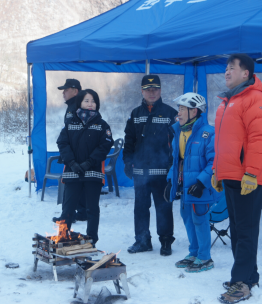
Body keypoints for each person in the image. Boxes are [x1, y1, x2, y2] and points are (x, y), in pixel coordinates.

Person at [211, 54, 262, 304]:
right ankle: (249, 275)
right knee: (237, 229)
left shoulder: (255, 99)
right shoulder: (226, 102)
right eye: (225, 68)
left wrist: (252, 173)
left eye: (231, 68)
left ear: (245, 73)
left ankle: (241, 283)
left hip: (248, 177)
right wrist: (217, 169)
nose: (226, 72)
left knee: (245, 231)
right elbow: (221, 142)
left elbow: (259, 140)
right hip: (230, 175)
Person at [123, 75, 178, 256]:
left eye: (155, 89)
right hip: (140, 171)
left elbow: (176, 144)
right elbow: (129, 140)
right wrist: (127, 162)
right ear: (142, 91)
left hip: (162, 172)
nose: (152, 92)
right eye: (148, 89)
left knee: (163, 207)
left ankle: (165, 241)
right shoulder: (135, 114)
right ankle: (142, 240)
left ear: (161, 90)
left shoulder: (171, 113)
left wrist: (173, 167)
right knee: (140, 207)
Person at [164, 92, 216, 273]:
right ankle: (193, 253)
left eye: (182, 109)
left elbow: (214, 162)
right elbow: (176, 160)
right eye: (179, 109)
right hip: (184, 188)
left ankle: (205, 257)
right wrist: (171, 181)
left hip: (200, 189)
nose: (178, 112)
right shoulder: (179, 131)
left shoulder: (208, 133)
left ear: (194, 111)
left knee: (200, 220)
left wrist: (202, 183)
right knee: (187, 219)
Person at [57, 89, 113, 245]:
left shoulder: (102, 125)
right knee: (68, 209)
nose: (90, 104)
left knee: (92, 210)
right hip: (72, 172)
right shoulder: (70, 122)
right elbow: (62, 143)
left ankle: (91, 241)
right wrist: (72, 162)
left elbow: (106, 145)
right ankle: (62, 238)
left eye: (93, 101)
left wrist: (89, 162)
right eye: (86, 101)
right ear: (80, 103)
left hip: (93, 173)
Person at [53, 79, 87, 223]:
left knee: (70, 184)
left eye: (66, 90)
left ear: (75, 91)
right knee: (76, 183)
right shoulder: (71, 106)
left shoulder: (80, 106)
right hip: (71, 152)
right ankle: (82, 212)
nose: (63, 93)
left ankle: (67, 216)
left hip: (76, 154)